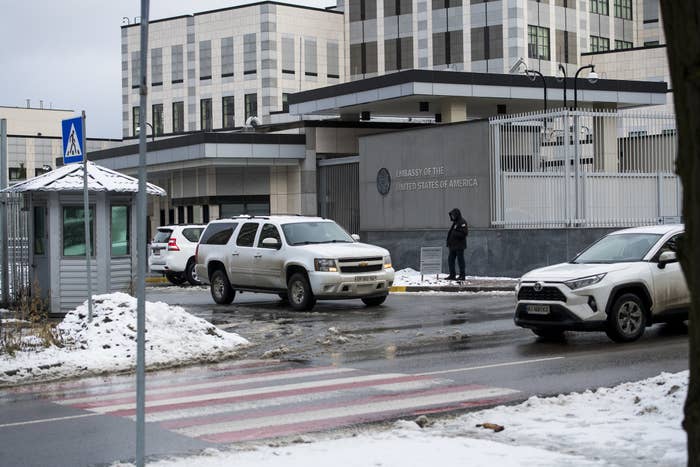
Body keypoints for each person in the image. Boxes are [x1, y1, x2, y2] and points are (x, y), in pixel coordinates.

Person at [446, 208, 468, 280]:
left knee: (460, 261)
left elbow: (464, 233)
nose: (452, 216)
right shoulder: (455, 223)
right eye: (451, 215)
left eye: (453, 215)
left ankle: (462, 275)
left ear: (456, 215)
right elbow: (451, 233)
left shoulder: (462, 222)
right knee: (450, 260)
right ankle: (452, 275)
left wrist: (455, 233)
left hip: (459, 246)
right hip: (452, 246)